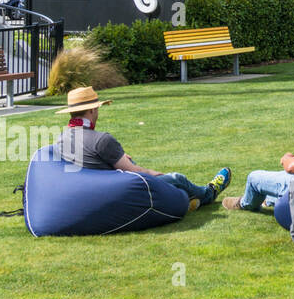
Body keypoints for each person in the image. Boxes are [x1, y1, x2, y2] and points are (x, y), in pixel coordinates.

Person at [53, 86, 232, 212]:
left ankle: (189, 200)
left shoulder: (61, 139)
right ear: (92, 110)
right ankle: (209, 193)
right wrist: (160, 175)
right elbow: (137, 172)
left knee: (129, 161)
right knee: (177, 178)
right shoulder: (102, 140)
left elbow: (88, 161)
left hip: (88, 194)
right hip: (121, 193)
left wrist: (116, 159)